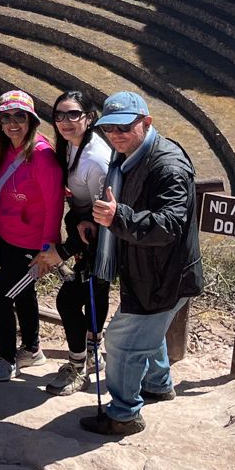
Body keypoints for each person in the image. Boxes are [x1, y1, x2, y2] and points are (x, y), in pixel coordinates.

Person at [82, 91, 204, 437]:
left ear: (146, 123)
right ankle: (158, 384)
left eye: (124, 126)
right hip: (146, 269)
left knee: (122, 340)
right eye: (109, 128)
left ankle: (124, 414)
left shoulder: (167, 165)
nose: (115, 134)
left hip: (163, 275)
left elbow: (169, 225)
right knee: (148, 333)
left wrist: (118, 217)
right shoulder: (129, 157)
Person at [32, 91, 114, 396]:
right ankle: (93, 350)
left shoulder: (95, 160)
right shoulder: (70, 146)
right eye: (59, 115)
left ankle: (79, 366)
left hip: (100, 242)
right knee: (94, 294)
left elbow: (102, 220)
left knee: (69, 300)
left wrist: (64, 251)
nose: (65, 121)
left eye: (73, 114)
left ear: (89, 118)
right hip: (84, 230)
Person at [0, 90, 63, 382]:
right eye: (6, 117)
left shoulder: (41, 156)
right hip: (8, 238)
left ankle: (6, 358)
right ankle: (32, 349)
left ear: (31, 120)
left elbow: (55, 203)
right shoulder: (4, 148)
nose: (13, 123)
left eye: (20, 116)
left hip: (31, 248)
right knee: (22, 294)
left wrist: (47, 249)